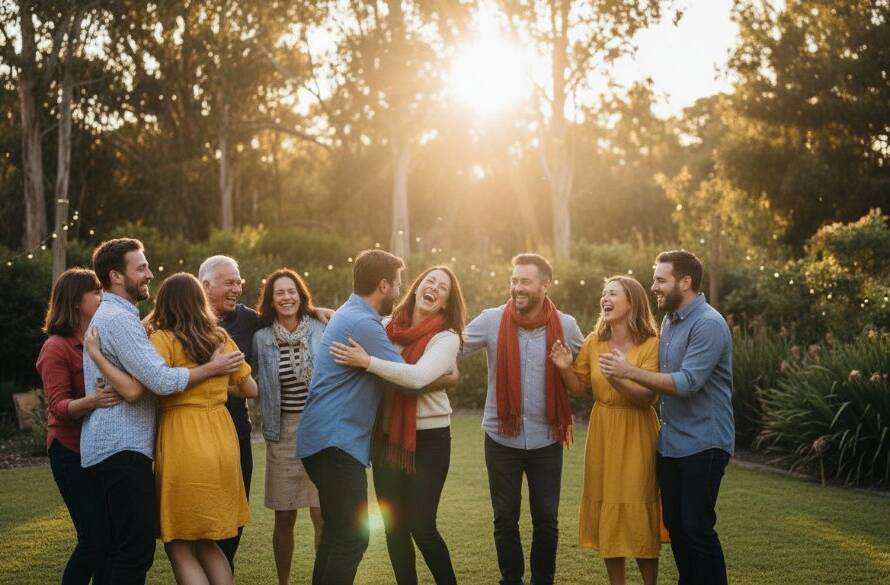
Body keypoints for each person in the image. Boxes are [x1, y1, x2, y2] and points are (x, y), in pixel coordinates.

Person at [79, 238, 244, 584]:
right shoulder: (121, 321)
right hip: (122, 446)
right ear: (116, 276)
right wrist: (211, 370)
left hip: (123, 446)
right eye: (141, 268)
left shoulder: (125, 320)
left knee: (128, 548)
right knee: (134, 550)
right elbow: (157, 381)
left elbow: (141, 383)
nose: (149, 273)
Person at [298, 249, 448, 585]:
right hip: (336, 443)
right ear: (383, 285)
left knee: (338, 532)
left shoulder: (349, 314)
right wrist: (447, 376)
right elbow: (409, 382)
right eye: (398, 282)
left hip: (321, 440)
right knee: (353, 537)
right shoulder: (364, 324)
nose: (401, 288)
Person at [599, 250, 734, 585]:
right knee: (675, 526)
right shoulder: (671, 322)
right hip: (671, 444)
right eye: (655, 279)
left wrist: (628, 371)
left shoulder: (709, 324)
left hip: (705, 442)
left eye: (661, 280)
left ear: (684, 282)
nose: (654, 286)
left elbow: (688, 383)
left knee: (697, 527)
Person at [330, 265, 466, 585]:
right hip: (387, 437)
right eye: (429, 281)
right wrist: (321, 312)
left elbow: (417, 377)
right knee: (395, 526)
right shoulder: (386, 326)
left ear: (445, 302)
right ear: (417, 287)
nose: (433, 287)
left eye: (442, 287)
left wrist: (368, 362)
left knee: (422, 525)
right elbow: (350, 320)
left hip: (430, 440)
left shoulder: (447, 338)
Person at [461, 253, 584, 585]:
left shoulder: (567, 326)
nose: (517, 287)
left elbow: (587, 374)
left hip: (546, 438)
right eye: (514, 280)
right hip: (501, 437)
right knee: (505, 518)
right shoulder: (491, 320)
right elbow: (450, 347)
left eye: (525, 281)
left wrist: (567, 367)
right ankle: (510, 580)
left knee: (546, 519)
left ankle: (543, 580)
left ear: (545, 285)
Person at [550, 276, 663, 585]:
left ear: (632, 302)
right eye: (603, 293)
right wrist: (563, 367)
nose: (605, 298)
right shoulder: (594, 341)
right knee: (607, 504)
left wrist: (618, 379)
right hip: (603, 431)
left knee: (638, 505)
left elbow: (647, 397)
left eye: (613, 293)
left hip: (637, 431)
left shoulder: (651, 344)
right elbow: (577, 386)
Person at [35, 269, 121, 585]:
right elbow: (58, 407)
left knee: (111, 539)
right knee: (94, 540)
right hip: (69, 451)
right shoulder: (56, 347)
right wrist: (93, 401)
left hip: (99, 449)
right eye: (96, 291)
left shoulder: (100, 338)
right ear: (76, 301)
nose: (102, 297)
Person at [252, 268, 325, 585]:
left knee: (322, 514)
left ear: (301, 294)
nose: (286, 297)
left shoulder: (321, 328)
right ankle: (284, 581)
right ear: (271, 299)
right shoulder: (261, 338)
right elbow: (247, 377)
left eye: (291, 291)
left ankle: (321, 579)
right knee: (284, 515)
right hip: (282, 433)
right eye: (279, 292)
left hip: (320, 431)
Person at [198, 255, 258, 569]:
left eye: (238, 282)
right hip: (196, 433)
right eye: (229, 282)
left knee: (236, 512)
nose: (236, 288)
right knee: (204, 516)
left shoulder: (247, 319)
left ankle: (224, 569)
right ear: (205, 286)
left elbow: (288, 312)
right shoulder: (185, 319)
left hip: (237, 429)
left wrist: (317, 310)